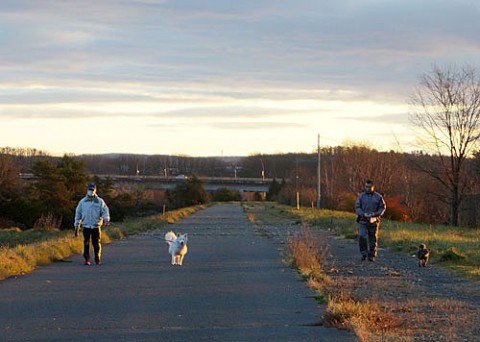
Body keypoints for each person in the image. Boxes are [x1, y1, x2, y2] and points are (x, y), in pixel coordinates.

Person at [74, 183, 110, 265]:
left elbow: (105, 211)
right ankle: (87, 259)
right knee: (86, 242)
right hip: (86, 225)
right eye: (90, 190)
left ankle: (97, 257)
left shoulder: (100, 201)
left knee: (96, 243)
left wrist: (106, 220)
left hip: (96, 226)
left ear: (95, 190)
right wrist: (77, 226)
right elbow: (78, 214)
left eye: (92, 190)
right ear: (87, 190)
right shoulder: (82, 202)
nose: (91, 192)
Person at [355, 180, 386, 262]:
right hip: (363, 220)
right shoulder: (361, 196)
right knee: (362, 236)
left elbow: (383, 207)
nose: (367, 189)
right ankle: (363, 253)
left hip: (374, 221)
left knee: (373, 239)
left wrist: (375, 214)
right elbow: (357, 207)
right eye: (366, 187)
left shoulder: (378, 197)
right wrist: (362, 214)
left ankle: (371, 255)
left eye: (369, 187)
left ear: (373, 187)